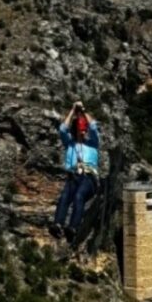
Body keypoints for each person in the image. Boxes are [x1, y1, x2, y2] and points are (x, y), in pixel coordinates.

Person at [51, 100, 102, 246]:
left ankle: (73, 227)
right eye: (82, 129)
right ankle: (58, 224)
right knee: (65, 196)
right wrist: (73, 110)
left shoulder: (93, 143)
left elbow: (93, 126)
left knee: (79, 196)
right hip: (74, 175)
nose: (84, 132)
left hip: (89, 178)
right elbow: (62, 129)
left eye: (85, 129)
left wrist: (83, 110)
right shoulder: (71, 144)